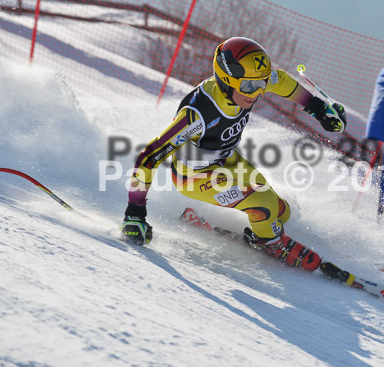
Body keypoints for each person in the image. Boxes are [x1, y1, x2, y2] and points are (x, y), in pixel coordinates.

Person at [122, 37, 347, 272]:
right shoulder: (198, 114)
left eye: (261, 85)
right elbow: (150, 156)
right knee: (264, 204)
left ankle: (262, 230)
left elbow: (280, 81)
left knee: (281, 210)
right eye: (250, 87)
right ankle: (269, 243)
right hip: (194, 177)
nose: (255, 93)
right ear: (226, 81)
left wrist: (320, 109)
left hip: (226, 160)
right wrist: (135, 212)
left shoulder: (247, 82)